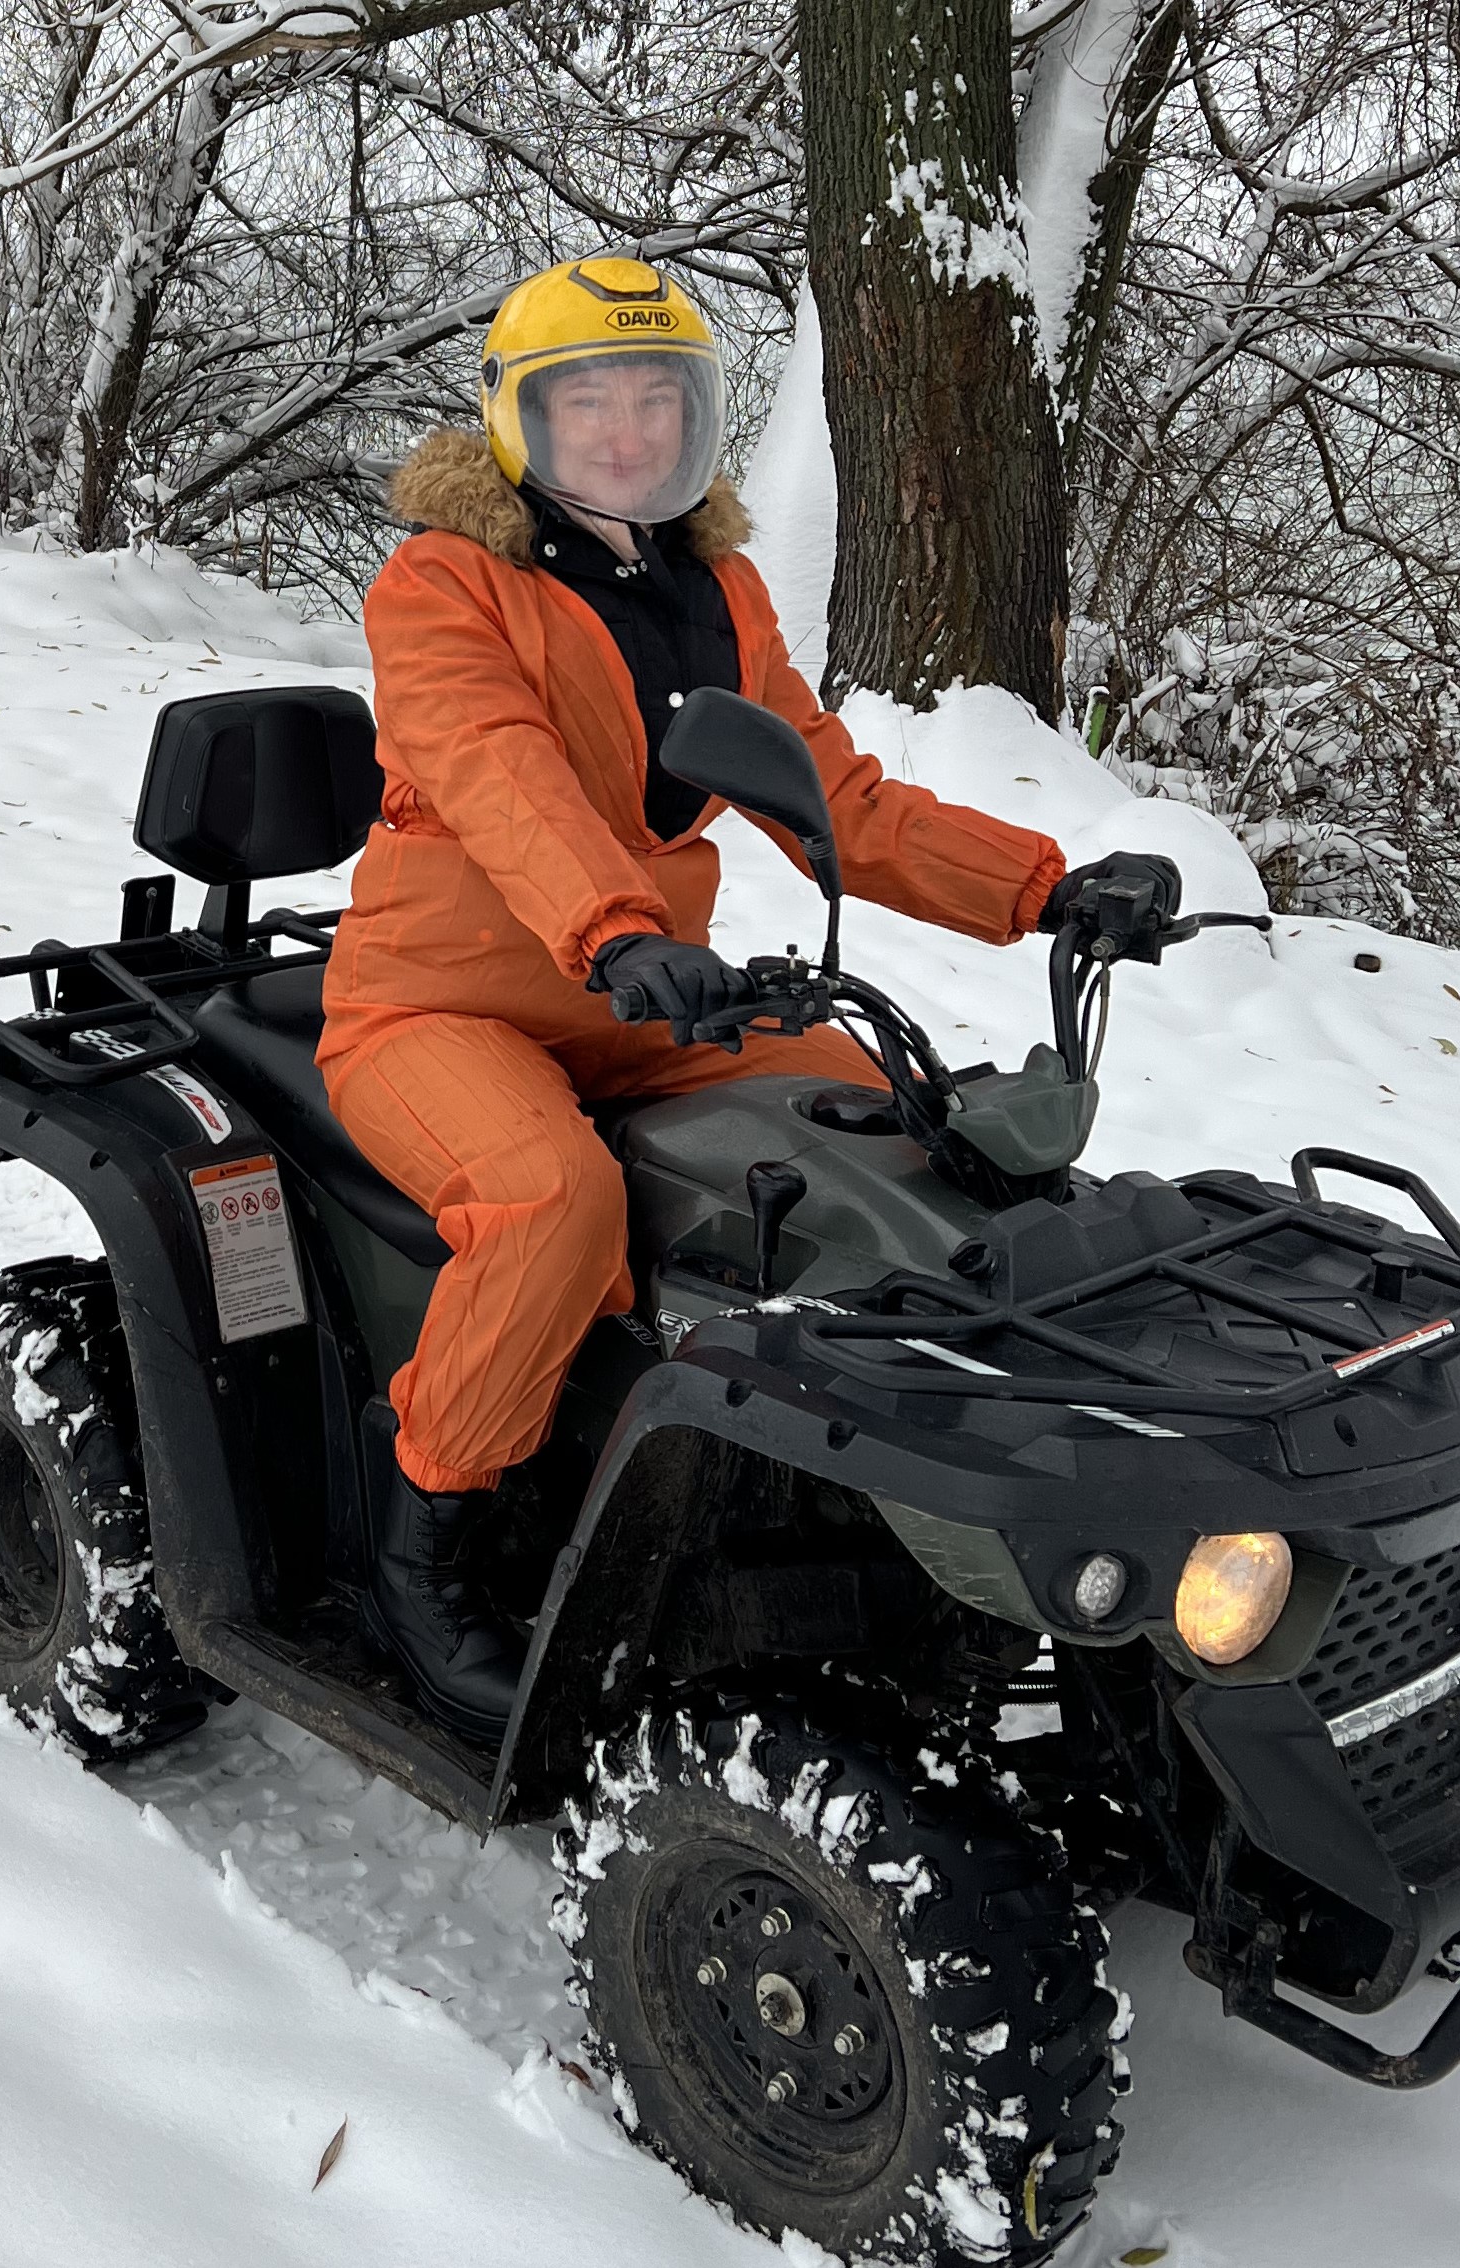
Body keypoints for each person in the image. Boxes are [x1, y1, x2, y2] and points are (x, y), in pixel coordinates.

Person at [324, 256, 1176, 1742]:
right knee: (548, 1205)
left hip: (647, 996)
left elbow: (834, 794)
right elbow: (492, 771)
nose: (627, 431)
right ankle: (432, 1537)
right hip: (444, 1007)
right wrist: (614, 928)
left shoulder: (716, 590)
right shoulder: (443, 581)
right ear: (519, 418)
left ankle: (860, 1490)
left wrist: (1048, 886)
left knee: (894, 1143)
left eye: (659, 398)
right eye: (588, 399)